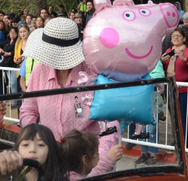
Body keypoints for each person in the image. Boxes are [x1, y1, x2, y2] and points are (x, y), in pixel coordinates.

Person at [20, 18, 119, 163]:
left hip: (88, 159)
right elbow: (28, 110)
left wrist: (100, 157)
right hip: (51, 159)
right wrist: (36, 140)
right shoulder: (39, 71)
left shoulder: (93, 73)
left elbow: (111, 120)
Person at [0, 124, 67, 181]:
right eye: (25, 145)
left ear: (51, 150)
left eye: (40, 145)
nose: (32, 150)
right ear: (17, 149)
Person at [161, 28, 188, 146]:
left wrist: (183, 57)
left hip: (185, 88)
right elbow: (163, 70)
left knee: (181, 116)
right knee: (174, 116)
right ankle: (177, 141)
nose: (175, 38)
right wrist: (161, 62)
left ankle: (186, 144)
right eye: (173, 36)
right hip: (170, 88)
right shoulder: (167, 50)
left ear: (184, 38)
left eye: (178, 36)